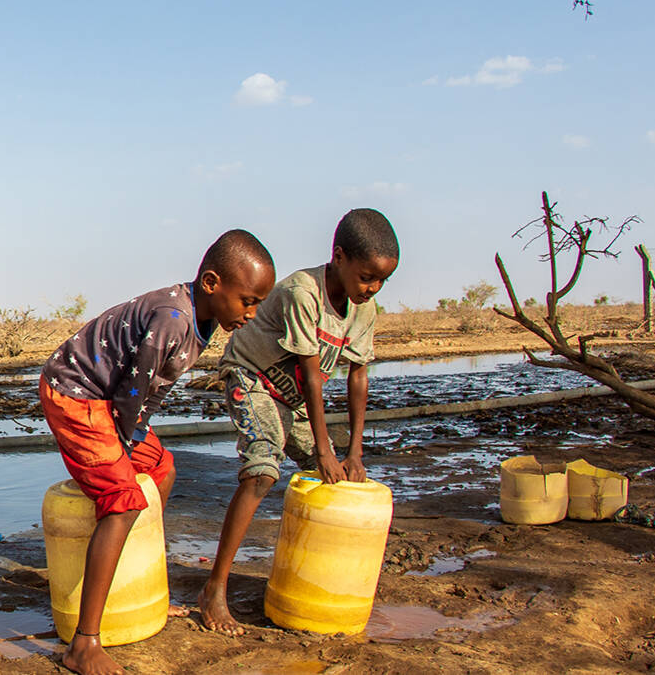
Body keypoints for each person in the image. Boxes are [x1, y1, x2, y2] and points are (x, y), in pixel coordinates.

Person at [40, 229, 276, 675]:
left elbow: (148, 390)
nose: (252, 313)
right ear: (212, 283)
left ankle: (141, 586)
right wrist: (122, 450)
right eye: (247, 301)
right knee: (124, 500)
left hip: (112, 401)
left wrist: (133, 439)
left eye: (257, 304)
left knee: (162, 468)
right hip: (75, 393)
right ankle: (83, 643)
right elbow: (132, 391)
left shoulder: (203, 320)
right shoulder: (173, 318)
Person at [198, 208, 400, 635]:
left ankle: (317, 583)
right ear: (339, 257)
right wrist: (323, 449)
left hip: (292, 397)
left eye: (381, 280)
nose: (372, 288)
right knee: (263, 470)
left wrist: (353, 452)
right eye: (366, 277)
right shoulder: (302, 292)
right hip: (252, 377)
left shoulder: (364, 310)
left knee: (338, 481)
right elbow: (311, 375)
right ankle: (214, 587)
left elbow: (358, 377)